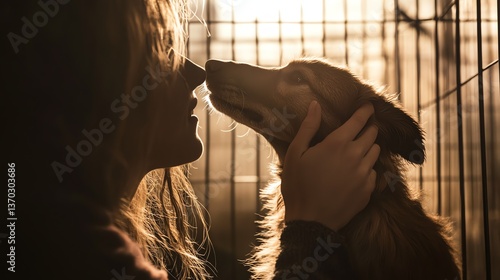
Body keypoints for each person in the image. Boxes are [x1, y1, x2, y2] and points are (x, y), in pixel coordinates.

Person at [4, 1, 379, 279]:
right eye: (162, 54)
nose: (196, 71)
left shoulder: (42, 225)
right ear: (96, 86)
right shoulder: (71, 254)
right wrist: (310, 231)